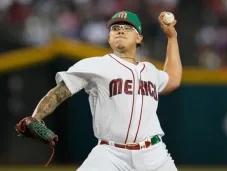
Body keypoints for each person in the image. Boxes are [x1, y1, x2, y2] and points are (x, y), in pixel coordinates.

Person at [21, 11, 182, 171]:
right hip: (110, 154)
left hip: (153, 153)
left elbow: (173, 79)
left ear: (139, 37)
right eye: (115, 28)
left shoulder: (150, 70)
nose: (120, 30)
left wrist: (172, 38)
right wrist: (36, 117)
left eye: (127, 28)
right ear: (109, 38)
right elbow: (59, 92)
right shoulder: (96, 65)